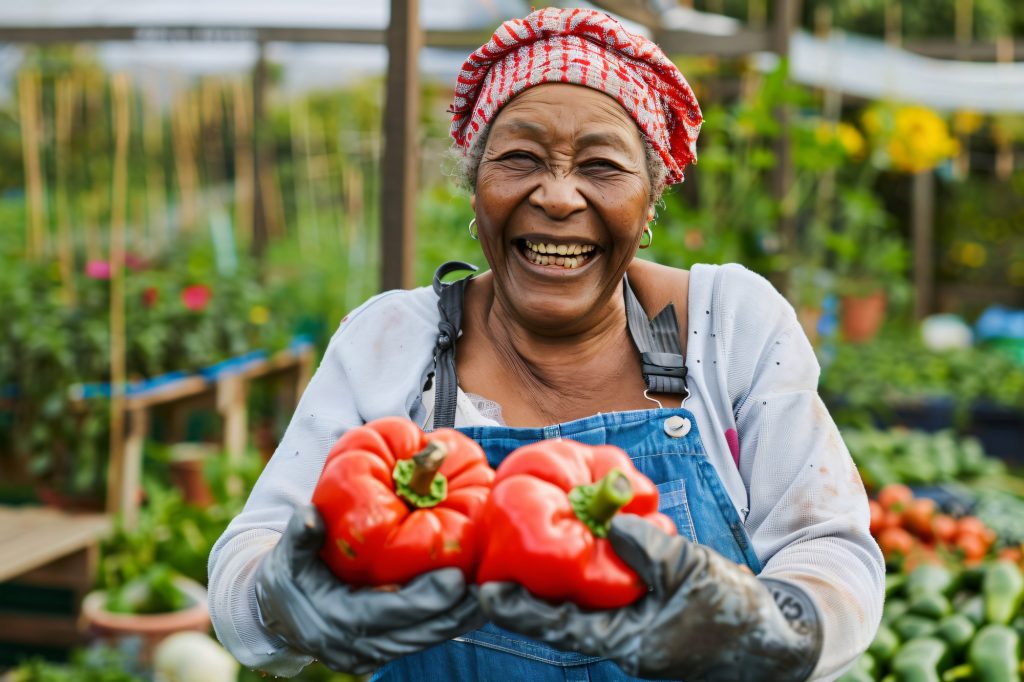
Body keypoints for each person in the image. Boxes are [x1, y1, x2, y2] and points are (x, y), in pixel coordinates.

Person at [208, 7, 884, 681]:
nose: (558, 196)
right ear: (475, 192)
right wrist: (278, 602)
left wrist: (771, 627)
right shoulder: (389, 343)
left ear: (649, 205)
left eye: (602, 165)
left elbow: (831, 551)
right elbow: (245, 565)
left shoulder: (730, 325)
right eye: (520, 158)